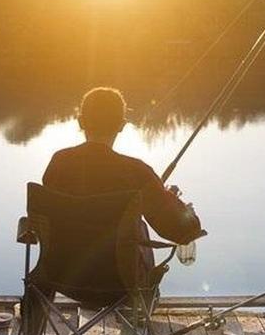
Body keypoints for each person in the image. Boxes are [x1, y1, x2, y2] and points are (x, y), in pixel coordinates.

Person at [41, 87, 204, 283]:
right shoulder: (137, 173)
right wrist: (176, 203)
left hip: (61, 276)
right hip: (119, 283)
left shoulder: (59, 163)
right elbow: (183, 232)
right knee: (139, 227)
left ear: (80, 121)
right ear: (122, 125)